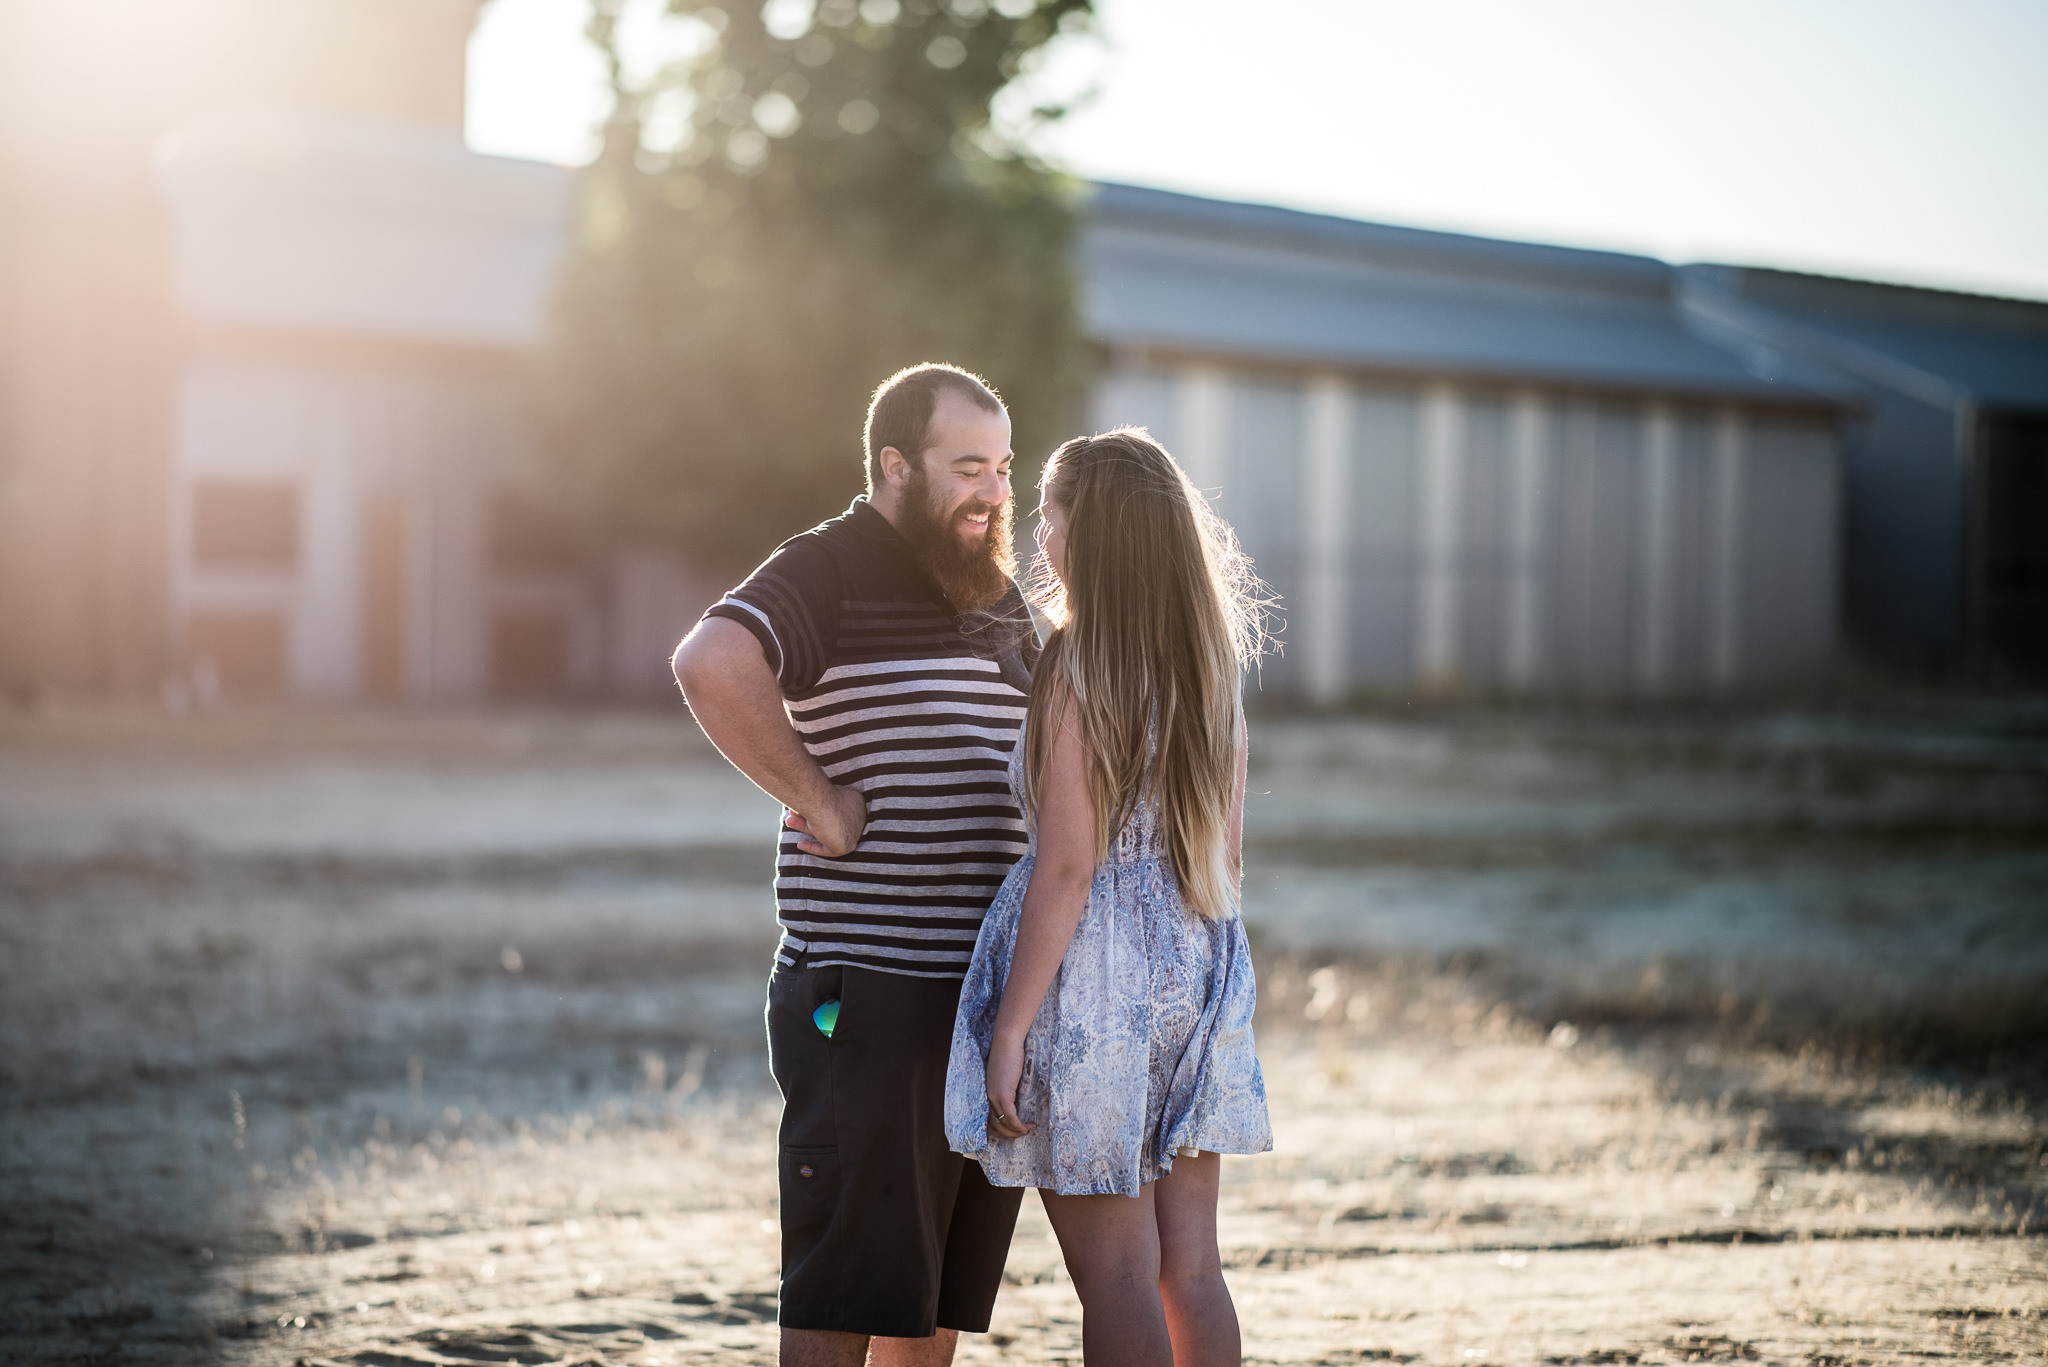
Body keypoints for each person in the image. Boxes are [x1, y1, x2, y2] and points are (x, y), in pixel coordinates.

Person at [672, 364, 1039, 1367]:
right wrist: (820, 801)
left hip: (979, 1006)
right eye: (968, 468)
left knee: (926, 1303)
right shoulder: (828, 565)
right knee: (845, 1285)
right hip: (863, 997)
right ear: (893, 465)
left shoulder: (995, 595)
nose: (994, 492)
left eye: (1002, 468)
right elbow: (709, 660)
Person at [944, 428, 1273, 1367]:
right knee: (1192, 1269)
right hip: (1198, 959)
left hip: (1093, 984)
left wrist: (1009, 1029)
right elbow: (1229, 854)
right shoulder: (1212, 666)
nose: (1036, 533)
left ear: (1091, 534)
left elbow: (1066, 866)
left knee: (1120, 1275)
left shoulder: (1078, 665)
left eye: (1048, 513)